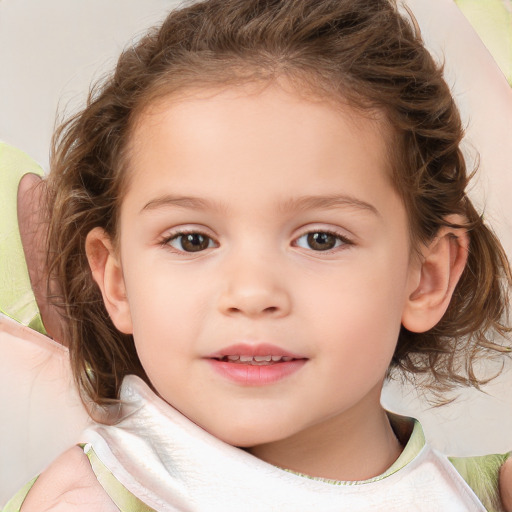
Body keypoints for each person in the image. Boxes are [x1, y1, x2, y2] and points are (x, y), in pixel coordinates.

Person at [5, 0, 512, 510]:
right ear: (117, 281)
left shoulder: (485, 493)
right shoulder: (88, 499)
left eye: (321, 239)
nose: (251, 293)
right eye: (192, 240)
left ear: (426, 277)